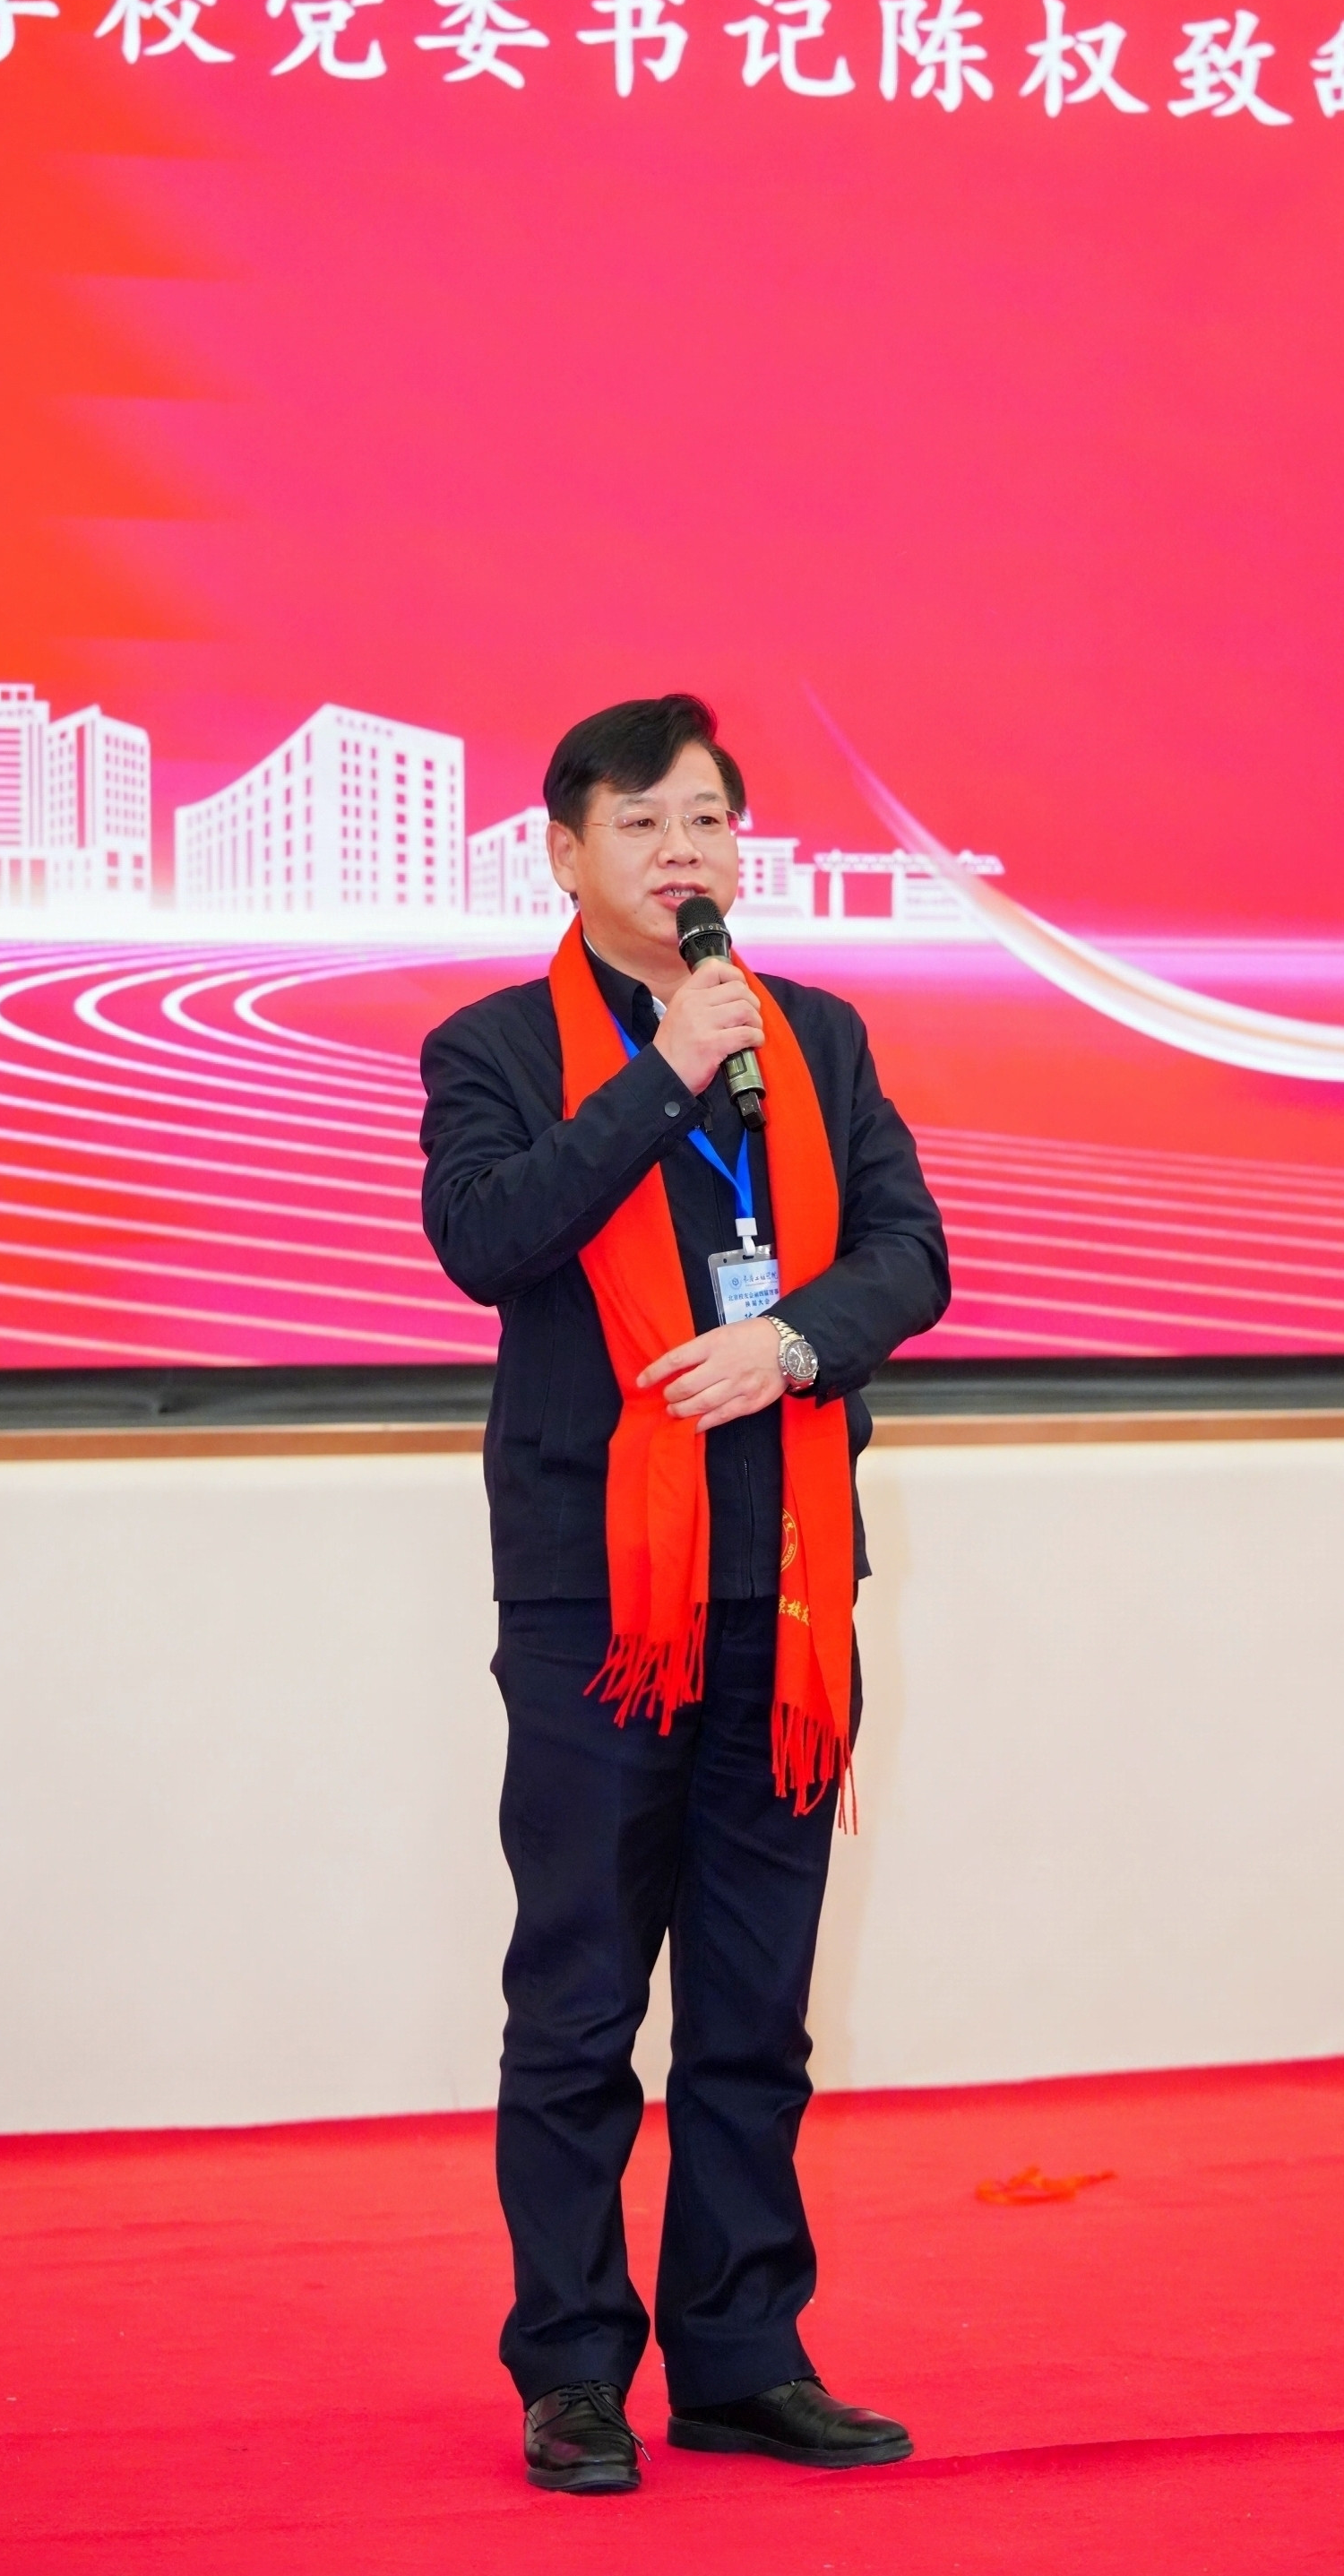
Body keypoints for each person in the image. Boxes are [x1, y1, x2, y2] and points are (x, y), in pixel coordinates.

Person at [418, 694, 950, 2495]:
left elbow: (910, 1255)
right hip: (597, 1602)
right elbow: (488, 1237)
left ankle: (740, 2353)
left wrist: (793, 1343)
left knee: (753, 2005)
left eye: (707, 821)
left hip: (780, 1589)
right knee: (579, 2001)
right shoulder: (498, 1048)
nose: (682, 853)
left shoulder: (820, 1038)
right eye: (641, 823)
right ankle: (573, 2367)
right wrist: (661, 1073)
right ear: (564, 853)